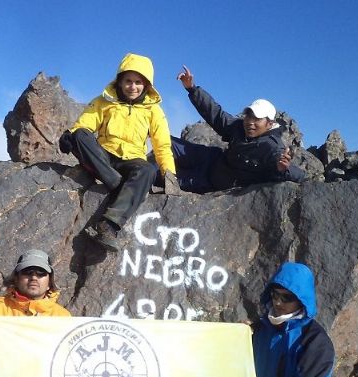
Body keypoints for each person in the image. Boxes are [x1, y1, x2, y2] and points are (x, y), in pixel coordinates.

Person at [59, 53, 177, 252]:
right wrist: (70, 135)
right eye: (128, 81)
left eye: (138, 82)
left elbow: (162, 145)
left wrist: (170, 175)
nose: (133, 87)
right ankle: (121, 187)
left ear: (147, 85)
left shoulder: (154, 110)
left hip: (132, 162)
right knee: (80, 135)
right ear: (120, 81)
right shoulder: (104, 101)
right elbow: (86, 124)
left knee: (148, 171)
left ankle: (108, 225)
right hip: (104, 157)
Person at [173, 65, 305, 193]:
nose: (250, 123)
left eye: (257, 119)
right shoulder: (239, 126)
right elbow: (215, 114)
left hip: (212, 180)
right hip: (212, 158)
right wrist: (192, 89)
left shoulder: (272, 147)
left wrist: (283, 169)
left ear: (269, 124)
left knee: (167, 177)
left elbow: (299, 175)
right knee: (166, 142)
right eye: (248, 117)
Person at [252, 262, 335, 377]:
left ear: (301, 299)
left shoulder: (315, 344)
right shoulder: (259, 331)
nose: (278, 302)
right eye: (274, 294)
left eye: (286, 297)